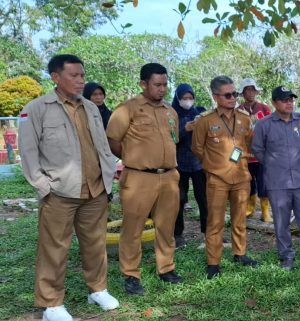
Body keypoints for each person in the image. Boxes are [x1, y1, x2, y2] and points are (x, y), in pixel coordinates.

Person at [19, 54, 119, 321]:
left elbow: (101, 146)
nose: (80, 80)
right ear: (55, 77)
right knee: (54, 248)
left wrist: (108, 174)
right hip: (60, 193)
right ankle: (51, 303)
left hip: (95, 190)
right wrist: (44, 187)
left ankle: (97, 289)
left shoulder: (92, 108)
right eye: (74, 75)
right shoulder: (36, 109)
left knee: (95, 244)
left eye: (82, 75)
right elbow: (28, 153)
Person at [106, 63, 183, 296]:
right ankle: (131, 275)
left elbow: (173, 140)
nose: (162, 89)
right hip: (139, 178)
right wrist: (133, 159)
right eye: (157, 85)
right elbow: (112, 141)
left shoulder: (171, 111)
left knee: (166, 227)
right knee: (133, 229)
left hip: (169, 177)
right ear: (143, 84)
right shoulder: (127, 109)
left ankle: (166, 268)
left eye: (165, 84)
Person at [251, 86, 300, 270]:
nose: (289, 103)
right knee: (281, 222)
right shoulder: (264, 124)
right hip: (278, 183)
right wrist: (272, 166)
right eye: (285, 100)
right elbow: (258, 149)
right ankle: (286, 256)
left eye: (291, 99)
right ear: (275, 103)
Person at [192, 76, 258, 280]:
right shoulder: (205, 121)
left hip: (241, 178)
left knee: (240, 219)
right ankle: (213, 262)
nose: (233, 98)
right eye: (228, 95)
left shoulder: (245, 119)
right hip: (217, 180)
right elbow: (197, 148)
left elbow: (249, 144)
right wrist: (215, 165)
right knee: (215, 222)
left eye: (235, 94)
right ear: (215, 96)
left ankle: (240, 253)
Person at [171, 83, 208, 249]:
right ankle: (177, 235)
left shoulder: (199, 112)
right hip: (179, 163)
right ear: (178, 98)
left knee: (204, 199)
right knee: (178, 200)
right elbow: (169, 138)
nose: (188, 101)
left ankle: (208, 232)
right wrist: (184, 129)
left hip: (199, 163)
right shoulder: (171, 114)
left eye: (190, 97)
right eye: (184, 98)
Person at [238, 78, 273, 223]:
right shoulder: (238, 110)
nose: (250, 93)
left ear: (256, 92)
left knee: (264, 182)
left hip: (262, 154)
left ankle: (265, 211)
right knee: (248, 182)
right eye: (247, 90)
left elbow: (271, 128)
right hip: (245, 154)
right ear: (243, 93)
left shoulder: (264, 108)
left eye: (253, 89)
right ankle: (250, 208)